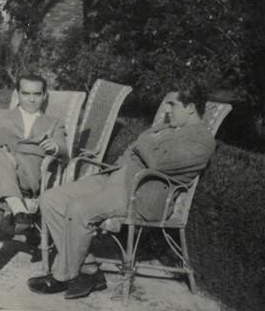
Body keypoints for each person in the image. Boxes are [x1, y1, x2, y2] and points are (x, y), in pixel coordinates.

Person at [27, 84, 215, 300]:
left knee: (79, 209)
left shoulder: (201, 140)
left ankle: (63, 276)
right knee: (51, 199)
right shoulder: (166, 127)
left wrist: (143, 141)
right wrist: (140, 147)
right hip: (115, 177)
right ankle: (89, 268)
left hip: (141, 192)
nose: (166, 110)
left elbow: (157, 162)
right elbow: (139, 150)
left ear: (190, 108)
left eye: (172, 105)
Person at [0, 74, 67, 290]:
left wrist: (54, 147)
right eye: (26, 93)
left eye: (36, 94)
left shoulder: (53, 123)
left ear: (44, 96)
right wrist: (4, 157)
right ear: (18, 94)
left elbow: (64, 150)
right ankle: (17, 206)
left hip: (23, 177)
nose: (31, 99)